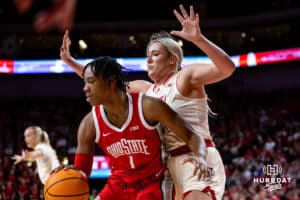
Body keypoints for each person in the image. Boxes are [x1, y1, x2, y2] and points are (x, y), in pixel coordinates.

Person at [60, 4, 236, 200]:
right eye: (148, 55)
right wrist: (70, 62)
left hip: (196, 155)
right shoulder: (146, 89)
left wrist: (199, 39)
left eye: (155, 54)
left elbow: (227, 68)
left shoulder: (186, 76)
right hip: (167, 167)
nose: (149, 60)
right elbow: (105, 85)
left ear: (172, 59)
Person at [73, 56, 210, 200]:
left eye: (91, 82)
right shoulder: (89, 124)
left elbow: (192, 136)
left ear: (111, 81)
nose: (85, 88)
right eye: (84, 82)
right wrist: (66, 176)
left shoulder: (149, 106)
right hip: (118, 185)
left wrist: (200, 157)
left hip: (154, 182)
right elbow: (81, 173)